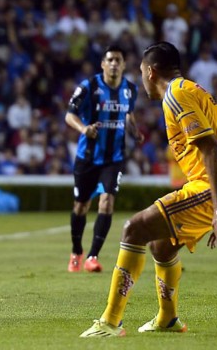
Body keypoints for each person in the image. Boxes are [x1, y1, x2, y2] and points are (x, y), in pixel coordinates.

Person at [80, 42, 217, 337]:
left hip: (211, 188)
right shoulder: (192, 90)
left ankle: (110, 321)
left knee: (134, 229)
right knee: (160, 243)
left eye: (142, 72)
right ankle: (168, 319)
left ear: (151, 71)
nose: (142, 79)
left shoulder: (176, 94)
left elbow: (210, 147)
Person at [65, 44, 144, 273]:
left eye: (118, 60)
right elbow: (69, 115)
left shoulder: (130, 89)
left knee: (107, 201)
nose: (114, 63)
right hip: (88, 156)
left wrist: (134, 131)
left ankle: (93, 256)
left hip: (114, 157)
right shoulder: (89, 87)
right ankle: (76, 251)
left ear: (123, 64)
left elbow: (127, 114)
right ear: (103, 64)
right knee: (81, 206)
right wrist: (84, 129)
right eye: (110, 59)